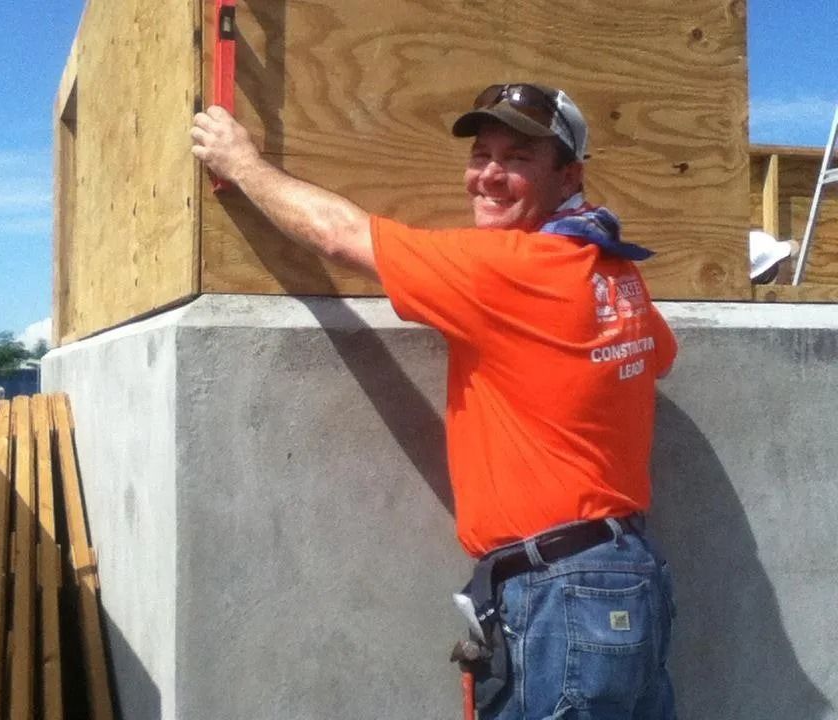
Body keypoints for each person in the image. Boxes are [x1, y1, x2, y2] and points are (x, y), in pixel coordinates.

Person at [191, 82, 678, 719]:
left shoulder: (510, 269)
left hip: (565, 593)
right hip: (623, 576)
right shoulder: (613, 271)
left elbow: (338, 235)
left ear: (568, 177)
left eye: (519, 159)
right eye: (481, 154)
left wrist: (241, 163)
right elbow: (659, 355)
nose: (489, 176)